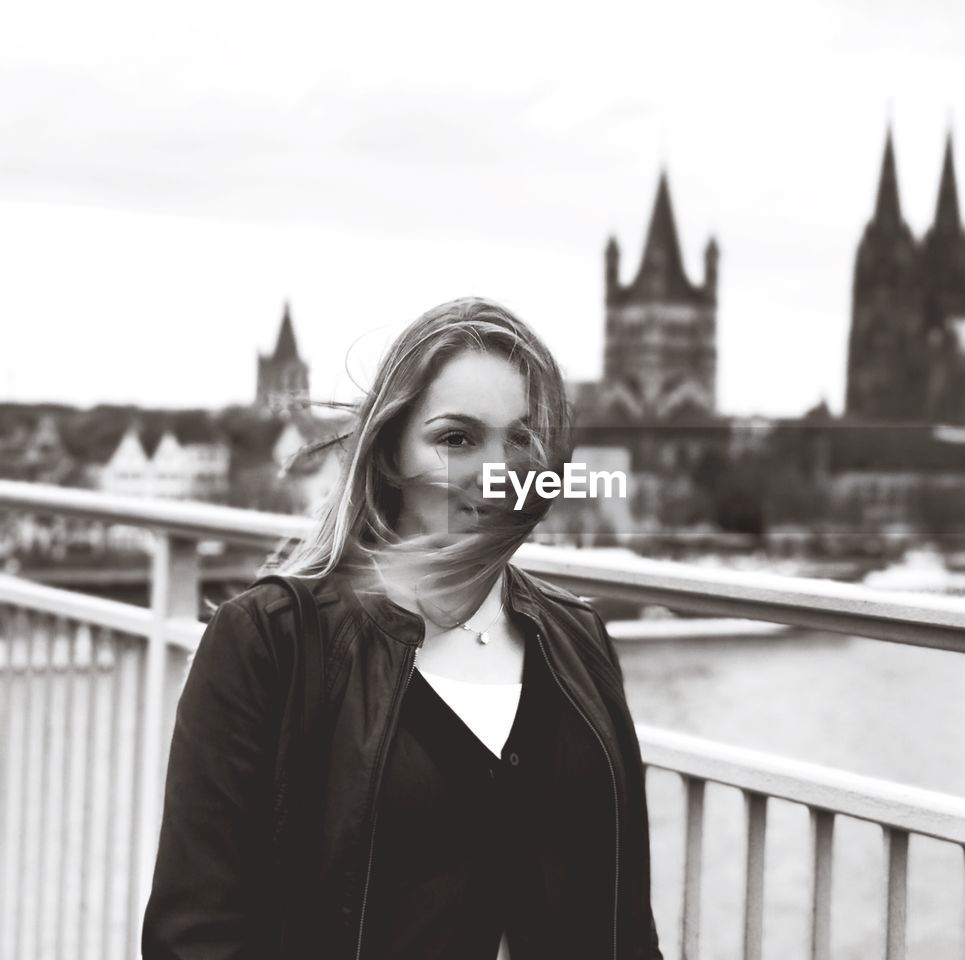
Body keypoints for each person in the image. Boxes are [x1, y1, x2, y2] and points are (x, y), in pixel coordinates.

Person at [141, 297, 663, 960]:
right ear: (389, 453)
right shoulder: (268, 642)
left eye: (523, 439)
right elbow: (196, 937)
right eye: (456, 439)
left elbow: (627, 926)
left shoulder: (578, 640)